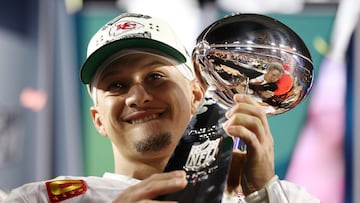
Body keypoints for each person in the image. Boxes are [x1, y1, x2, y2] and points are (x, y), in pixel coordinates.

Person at [3, 13, 320, 203]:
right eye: (116, 85)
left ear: (196, 94)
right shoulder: (45, 198)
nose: (137, 96)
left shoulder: (284, 196)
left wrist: (262, 192)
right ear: (98, 120)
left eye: (155, 76)